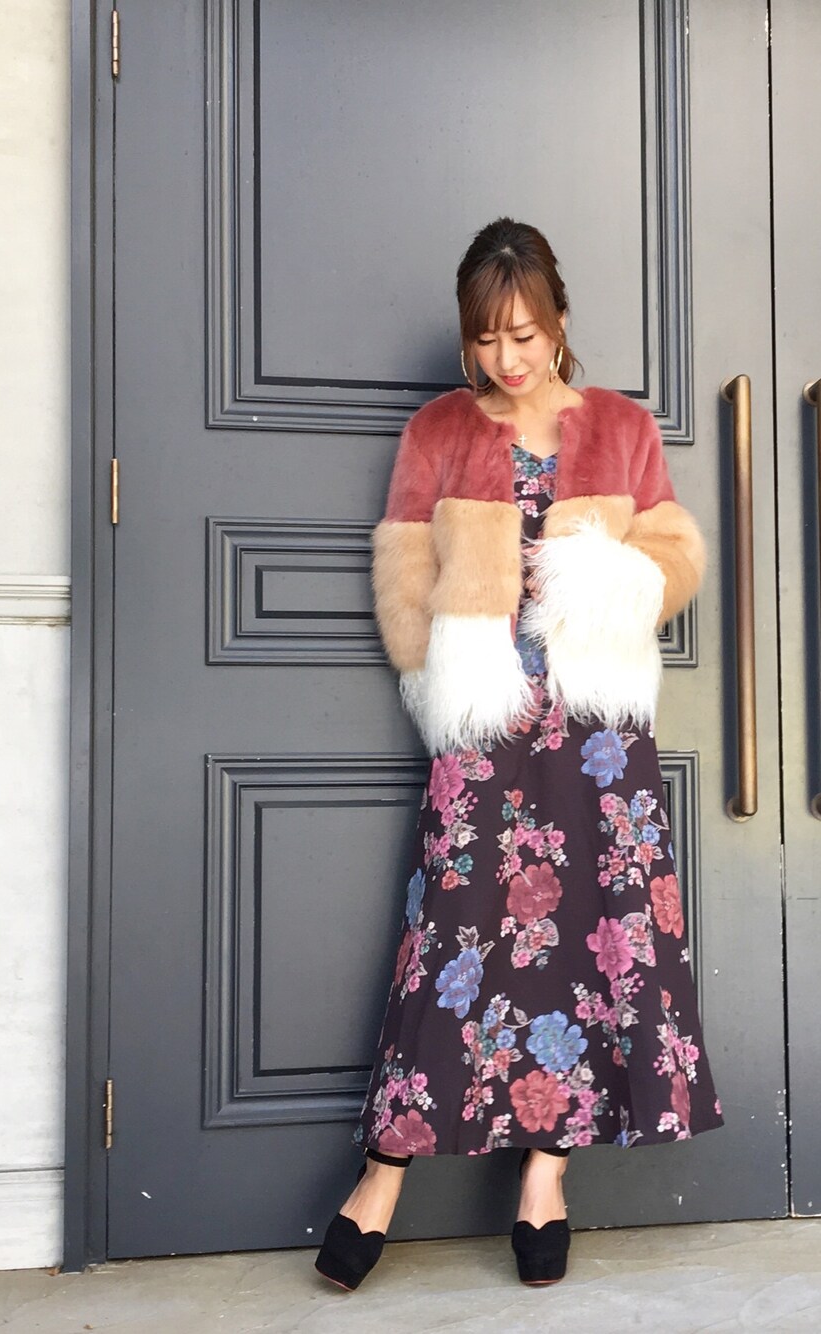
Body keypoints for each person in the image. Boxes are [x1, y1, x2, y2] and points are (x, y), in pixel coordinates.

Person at [314, 216, 723, 1292]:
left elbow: (675, 552)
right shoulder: (439, 430)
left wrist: (598, 578)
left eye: (526, 334)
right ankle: (382, 1172)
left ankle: (547, 1175)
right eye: (488, 337)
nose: (507, 357)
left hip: (596, 732)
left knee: (597, 931)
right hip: (486, 724)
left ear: (559, 324)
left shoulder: (621, 426)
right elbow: (404, 576)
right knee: (451, 931)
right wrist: (441, 689)